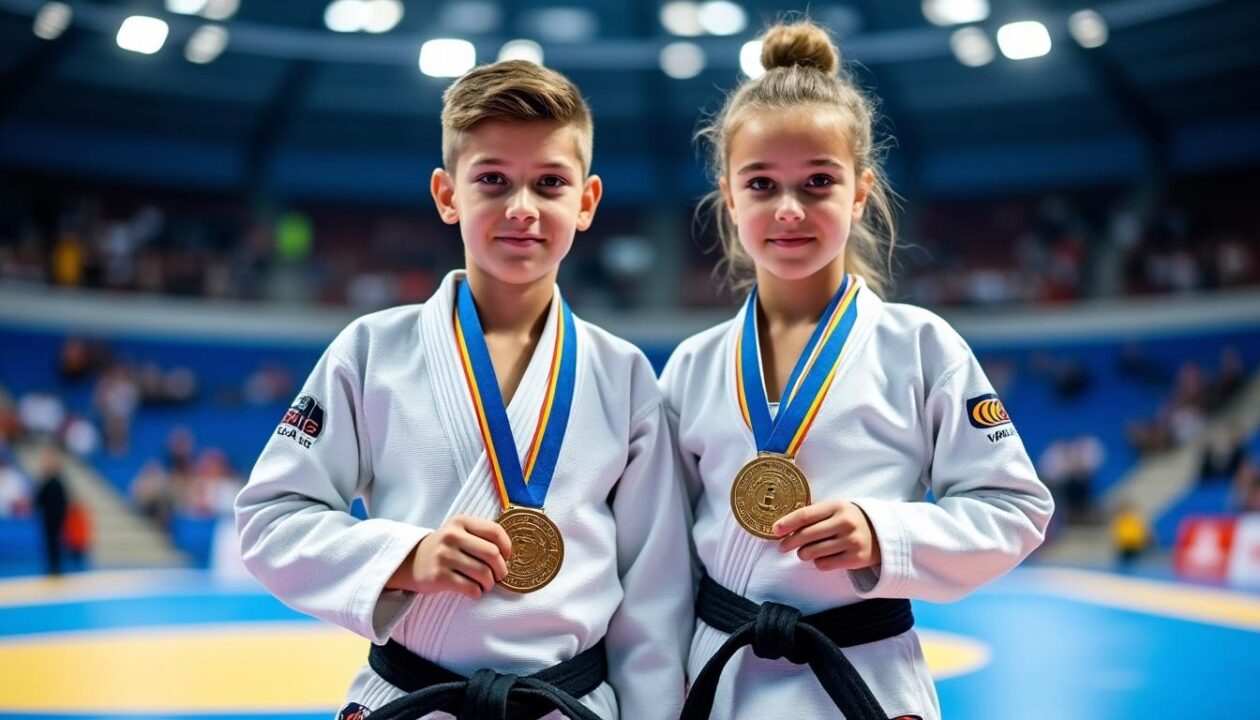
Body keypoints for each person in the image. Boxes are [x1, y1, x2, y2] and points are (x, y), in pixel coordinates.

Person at [236, 59, 691, 720]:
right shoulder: (372, 352)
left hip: (569, 705)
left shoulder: (623, 377)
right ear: (448, 194)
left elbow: (654, 592)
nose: (522, 208)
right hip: (415, 701)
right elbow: (270, 521)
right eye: (492, 180)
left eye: (550, 183)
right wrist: (405, 557)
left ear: (586, 201)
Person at [660, 21, 1054, 720]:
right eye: (761, 184)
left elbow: (1017, 509)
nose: (789, 209)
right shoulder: (690, 367)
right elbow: (659, 554)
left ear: (861, 190)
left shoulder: (920, 346)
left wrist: (886, 535)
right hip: (719, 682)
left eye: (818, 182)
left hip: (864, 679)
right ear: (729, 195)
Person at [34, 448, 69, 576]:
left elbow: (63, 502)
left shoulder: (57, 483)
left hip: (56, 518)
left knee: (55, 543)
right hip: (48, 518)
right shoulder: (45, 483)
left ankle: (56, 566)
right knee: (50, 543)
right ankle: (52, 565)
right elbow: (39, 500)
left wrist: (62, 516)